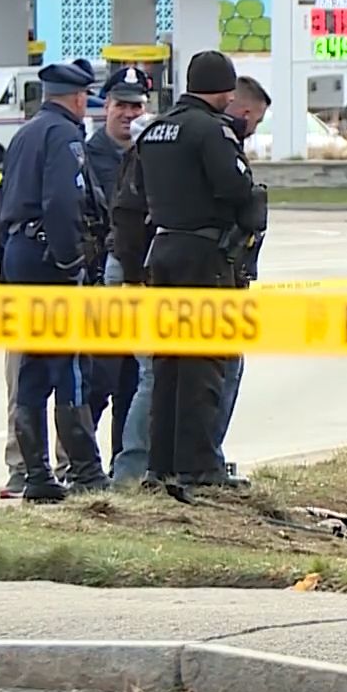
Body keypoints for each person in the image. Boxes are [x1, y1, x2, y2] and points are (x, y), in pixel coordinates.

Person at [111, 50, 257, 502]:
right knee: (204, 361)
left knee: (168, 362)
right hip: (203, 256)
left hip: (163, 253)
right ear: (225, 90)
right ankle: (198, 466)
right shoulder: (210, 131)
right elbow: (236, 189)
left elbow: (133, 196)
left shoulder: (154, 131)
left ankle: (162, 463)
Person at [0, 58, 110, 502]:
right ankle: (84, 468)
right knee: (69, 365)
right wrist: (70, 262)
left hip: (20, 256)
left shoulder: (25, 133)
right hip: (49, 259)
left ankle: (37, 474)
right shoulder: (64, 135)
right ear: (78, 98)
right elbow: (63, 202)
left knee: (32, 364)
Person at [86, 65, 150, 472]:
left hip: (137, 278)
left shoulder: (147, 155)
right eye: (121, 105)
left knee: (131, 380)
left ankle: (121, 465)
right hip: (99, 280)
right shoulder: (87, 155)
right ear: (105, 106)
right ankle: (79, 464)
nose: (128, 114)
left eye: (136, 106)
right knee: (97, 380)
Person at [212, 75, 272, 476]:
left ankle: (204, 456)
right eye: (257, 121)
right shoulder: (216, 143)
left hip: (221, 271)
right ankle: (203, 458)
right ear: (244, 111)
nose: (254, 129)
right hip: (213, 273)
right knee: (220, 370)